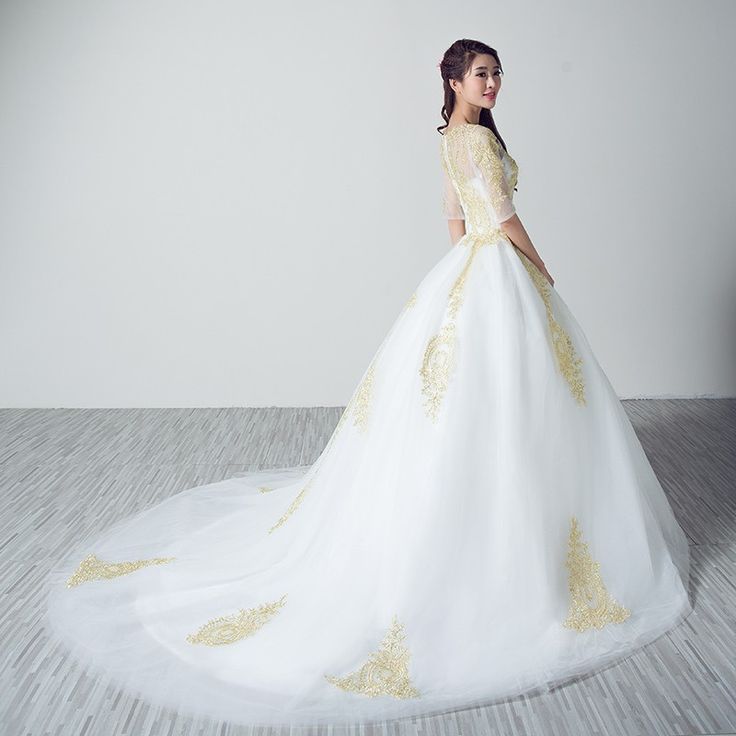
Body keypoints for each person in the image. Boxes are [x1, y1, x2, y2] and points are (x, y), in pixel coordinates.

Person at [43, 38, 692, 728]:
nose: (494, 82)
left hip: (473, 275)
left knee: (481, 407)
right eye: (482, 73)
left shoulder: (452, 138)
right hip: (497, 268)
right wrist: (540, 271)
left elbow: (454, 217)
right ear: (453, 79)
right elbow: (499, 219)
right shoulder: (474, 140)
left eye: (497, 73)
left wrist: (465, 281)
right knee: (515, 404)